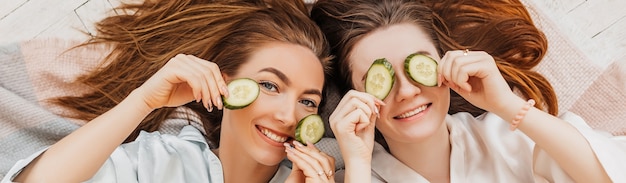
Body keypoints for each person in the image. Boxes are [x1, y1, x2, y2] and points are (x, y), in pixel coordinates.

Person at [2, 0, 337, 182]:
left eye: (308, 101)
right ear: (224, 85)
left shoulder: (317, 179)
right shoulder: (166, 160)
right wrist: (143, 100)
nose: (288, 115)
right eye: (269, 85)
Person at [310, 0, 626, 182]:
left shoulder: (510, 137)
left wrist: (505, 104)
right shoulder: (354, 176)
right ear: (353, 96)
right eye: (381, 80)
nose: (406, 91)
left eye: (417, 66)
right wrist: (358, 162)